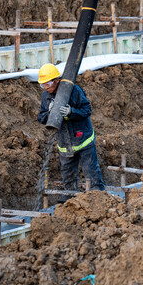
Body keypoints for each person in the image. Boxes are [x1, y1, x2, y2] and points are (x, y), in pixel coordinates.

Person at [37, 63, 105, 201]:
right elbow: (41, 117)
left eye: (48, 83)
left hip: (82, 139)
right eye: (43, 85)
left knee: (91, 171)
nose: (46, 87)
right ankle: (70, 198)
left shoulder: (73, 90)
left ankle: (98, 197)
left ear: (56, 80)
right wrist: (49, 112)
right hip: (64, 142)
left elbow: (86, 110)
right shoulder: (46, 96)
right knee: (67, 174)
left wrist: (71, 112)